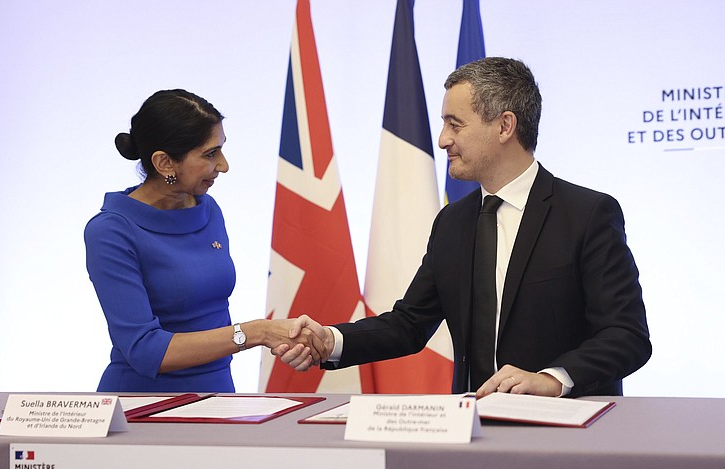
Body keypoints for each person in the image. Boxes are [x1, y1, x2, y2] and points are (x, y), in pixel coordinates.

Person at [277, 57, 651, 398]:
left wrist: (553, 379)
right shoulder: (452, 222)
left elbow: (627, 336)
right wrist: (331, 339)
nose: (443, 140)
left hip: (571, 436)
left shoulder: (587, 214)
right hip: (473, 435)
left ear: (505, 126)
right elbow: (408, 325)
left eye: (454, 124)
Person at [85, 89, 317, 393]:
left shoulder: (207, 209)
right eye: (210, 154)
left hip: (218, 394)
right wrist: (257, 332)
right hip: (143, 406)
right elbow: (144, 349)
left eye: (221, 149)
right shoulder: (111, 231)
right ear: (165, 163)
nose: (223, 165)